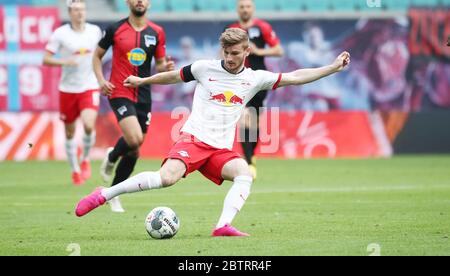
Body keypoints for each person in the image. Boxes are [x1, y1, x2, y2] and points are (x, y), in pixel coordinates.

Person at [75, 28, 350, 237]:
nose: (229, 59)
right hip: (194, 139)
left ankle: (222, 226)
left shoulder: (255, 78)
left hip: (220, 149)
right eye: (226, 53)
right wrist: (143, 79)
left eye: (235, 53)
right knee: (166, 179)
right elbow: (172, 76)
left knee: (243, 173)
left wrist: (332, 67)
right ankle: (105, 194)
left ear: (246, 52)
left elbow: (295, 77)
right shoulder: (204, 68)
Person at [93, 0, 174, 213]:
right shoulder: (115, 28)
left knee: (135, 150)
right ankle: (111, 156)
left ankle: (113, 193)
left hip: (144, 95)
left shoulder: (157, 32)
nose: (140, 1)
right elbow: (97, 56)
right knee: (134, 138)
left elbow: (160, 65)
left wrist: (167, 67)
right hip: (119, 91)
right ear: (128, 2)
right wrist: (101, 81)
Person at [44, 0, 102, 185]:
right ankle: (74, 170)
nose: (79, 13)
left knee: (88, 125)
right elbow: (46, 59)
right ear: (70, 12)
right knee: (69, 132)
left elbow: (100, 54)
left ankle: (85, 159)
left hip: (89, 85)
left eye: (82, 9)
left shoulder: (95, 31)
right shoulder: (60, 34)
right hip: (68, 88)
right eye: (76, 10)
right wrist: (64, 62)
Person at [226, 0, 284, 178]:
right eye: (242, 7)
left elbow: (278, 50)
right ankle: (249, 160)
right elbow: (224, 51)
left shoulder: (262, 27)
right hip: (238, 79)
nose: (245, 9)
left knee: (255, 122)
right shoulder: (232, 29)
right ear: (238, 9)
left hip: (258, 80)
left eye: (248, 6)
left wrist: (259, 52)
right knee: (243, 119)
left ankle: (252, 155)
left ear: (253, 9)